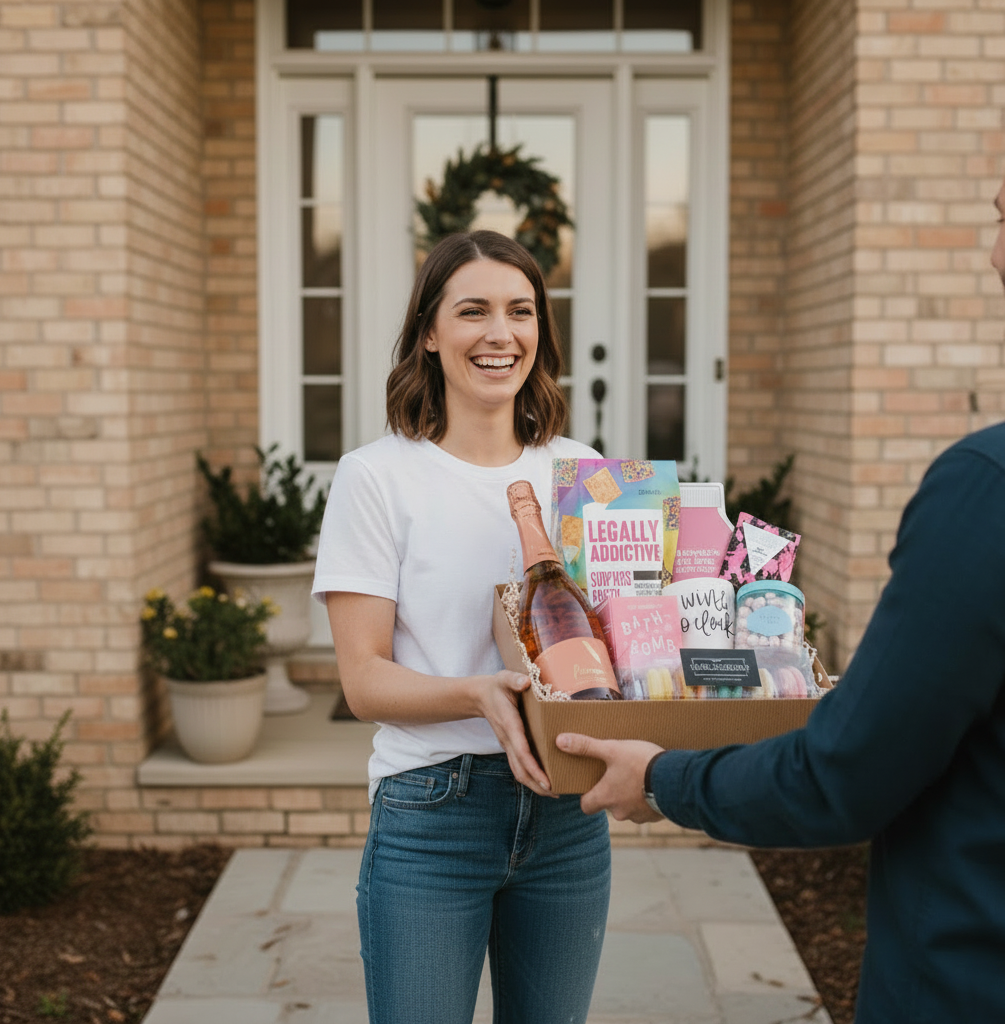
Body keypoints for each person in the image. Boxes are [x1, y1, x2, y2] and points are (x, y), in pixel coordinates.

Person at [555, 179, 1005, 1023]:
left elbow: (844, 775)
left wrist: (662, 776)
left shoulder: (986, 491)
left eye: (1002, 218)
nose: (991, 254)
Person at [313, 230, 611, 1024]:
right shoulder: (377, 477)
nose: (499, 334)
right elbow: (364, 678)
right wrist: (479, 694)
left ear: (540, 332)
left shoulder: (582, 472)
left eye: (521, 311)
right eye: (471, 310)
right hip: (431, 812)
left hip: (566, 816)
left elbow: (614, 641)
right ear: (428, 333)